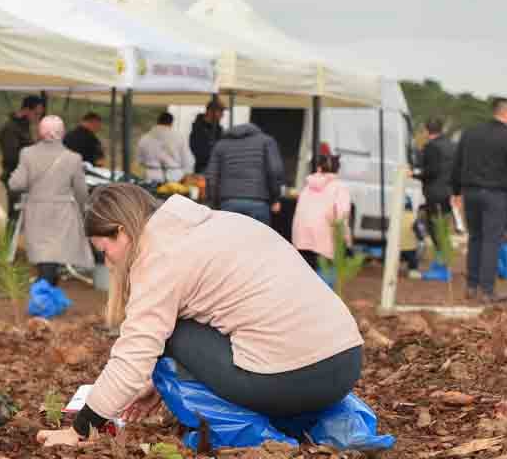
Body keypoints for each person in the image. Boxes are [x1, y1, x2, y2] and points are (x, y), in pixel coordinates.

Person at [36, 184, 363, 447]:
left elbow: (134, 354)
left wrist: (80, 429)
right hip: (345, 363)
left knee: (169, 332)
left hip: (294, 381)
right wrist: (156, 384)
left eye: (104, 250)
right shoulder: (218, 223)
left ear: (121, 232)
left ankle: (244, 429)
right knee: (175, 328)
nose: (107, 263)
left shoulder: (158, 258)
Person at [450, 97, 507, 304]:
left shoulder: (470, 133)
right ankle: (487, 290)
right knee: (491, 241)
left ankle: (471, 286)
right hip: (495, 195)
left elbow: (457, 163)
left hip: (470, 192)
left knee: (475, 238)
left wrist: (455, 191)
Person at [8, 116, 93, 286]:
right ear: (62, 133)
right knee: (54, 251)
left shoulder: (27, 154)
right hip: (62, 211)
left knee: (42, 252)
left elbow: (16, 184)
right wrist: (85, 209)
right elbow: (81, 190)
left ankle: (45, 286)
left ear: (40, 133)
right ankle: (47, 286)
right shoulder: (73, 158)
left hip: (36, 209)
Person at [205, 122, 285, 225]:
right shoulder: (266, 141)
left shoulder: (220, 145)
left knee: (229, 240)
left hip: (228, 203)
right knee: (258, 240)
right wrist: (275, 198)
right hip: (258, 202)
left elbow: (211, 177)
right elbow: (275, 170)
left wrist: (213, 203)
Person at [292, 154, 352, 269]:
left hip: (301, 238)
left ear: (319, 168)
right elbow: (342, 217)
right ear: (337, 169)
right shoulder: (339, 188)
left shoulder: (307, 186)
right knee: (323, 280)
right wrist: (347, 241)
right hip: (324, 241)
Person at [0, 95, 45, 234]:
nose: (37, 118)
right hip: (16, 178)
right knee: (15, 217)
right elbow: (12, 157)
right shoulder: (10, 128)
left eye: (40, 115)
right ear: (26, 110)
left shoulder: (23, 127)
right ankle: (6, 251)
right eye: (36, 113)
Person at [137, 112, 195, 183]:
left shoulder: (145, 138)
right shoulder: (178, 137)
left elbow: (140, 160)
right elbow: (187, 160)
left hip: (151, 176)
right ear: (171, 123)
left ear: (158, 121)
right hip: (174, 177)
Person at [189, 97, 225, 174]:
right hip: (204, 170)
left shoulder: (219, 129)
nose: (222, 115)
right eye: (220, 111)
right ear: (210, 111)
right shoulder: (198, 129)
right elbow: (199, 153)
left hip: (218, 170)